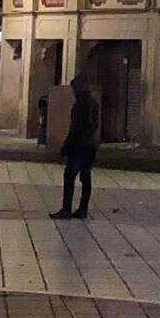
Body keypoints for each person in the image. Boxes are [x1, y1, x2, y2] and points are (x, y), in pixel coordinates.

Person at [51, 72, 99, 220]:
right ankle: (83, 209)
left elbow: (76, 128)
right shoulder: (93, 103)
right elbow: (95, 124)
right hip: (91, 145)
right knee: (86, 177)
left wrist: (66, 145)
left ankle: (66, 209)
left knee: (69, 176)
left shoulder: (80, 105)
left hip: (79, 146)